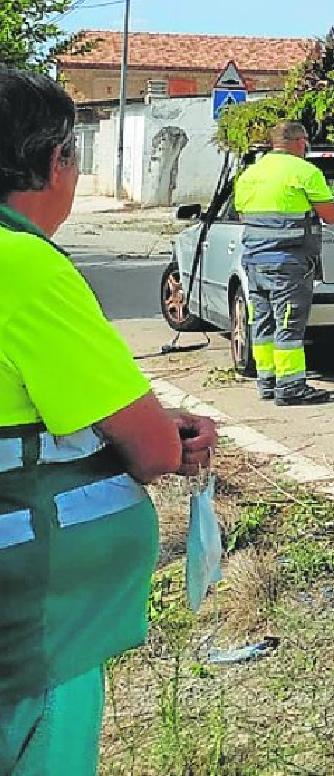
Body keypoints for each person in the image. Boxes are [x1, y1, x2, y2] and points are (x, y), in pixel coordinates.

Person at [0, 68, 217, 774]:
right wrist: (166, 434)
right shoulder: (25, 268)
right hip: (35, 625)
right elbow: (153, 450)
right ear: (58, 161)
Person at [233, 121, 334, 405]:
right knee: (289, 325)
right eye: (305, 141)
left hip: (255, 261)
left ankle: (267, 382)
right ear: (298, 141)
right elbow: (331, 216)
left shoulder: (250, 174)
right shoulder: (305, 172)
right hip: (288, 262)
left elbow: (243, 215)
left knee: (262, 322)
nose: (306, 146)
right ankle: (291, 388)